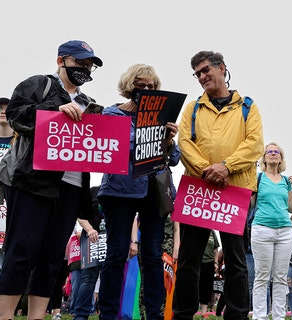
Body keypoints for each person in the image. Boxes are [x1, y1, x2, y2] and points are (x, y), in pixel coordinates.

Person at [0, 40, 101, 320]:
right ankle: (5, 317)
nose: (85, 69)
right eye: (80, 63)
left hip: (71, 188)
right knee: (21, 251)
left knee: (52, 257)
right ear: (61, 60)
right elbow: (16, 114)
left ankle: (37, 316)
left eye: (89, 65)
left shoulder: (89, 104)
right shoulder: (39, 84)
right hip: (32, 183)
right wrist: (54, 112)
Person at [174, 50, 264, 320]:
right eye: (197, 74)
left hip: (234, 190)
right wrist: (207, 170)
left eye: (205, 70)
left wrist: (226, 166)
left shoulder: (248, 106)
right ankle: (182, 314)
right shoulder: (192, 108)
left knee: (236, 260)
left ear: (222, 68)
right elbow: (184, 144)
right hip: (198, 191)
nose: (202, 77)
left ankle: (236, 314)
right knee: (189, 259)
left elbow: (255, 144)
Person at [97, 63, 180, 320]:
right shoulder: (112, 113)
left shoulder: (160, 118)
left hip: (153, 192)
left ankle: (153, 314)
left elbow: (174, 158)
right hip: (119, 191)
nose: (145, 89)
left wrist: (167, 140)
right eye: (140, 85)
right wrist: (149, 134)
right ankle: (108, 314)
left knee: (153, 255)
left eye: (151, 86)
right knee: (117, 252)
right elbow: (116, 146)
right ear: (128, 87)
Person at [251, 142, 292, 320]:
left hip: (285, 232)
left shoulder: (286, 181)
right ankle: (259, 316)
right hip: (262, 229)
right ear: (264, 157)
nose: (273, 154)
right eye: (269, 151)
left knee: (280, 277)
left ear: (281, 158)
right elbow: (250, 205)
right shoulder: (257, 177)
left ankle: (279, 316)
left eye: (276, 152)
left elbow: (290, 207)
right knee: (262, 276)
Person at [0, 96, 14, 320]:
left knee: (1, 266)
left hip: (10, 213)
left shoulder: (21, 143)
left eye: (7, 108)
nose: (2, 111)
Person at [73, 186, 104, 320]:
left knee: (110, 279)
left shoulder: (120, 191)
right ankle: (80, 315)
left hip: (112, 240)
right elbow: (79, 214)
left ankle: (107, 314)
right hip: (92, 241)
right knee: (88, 279)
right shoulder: (93, 191)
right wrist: (90, 229)